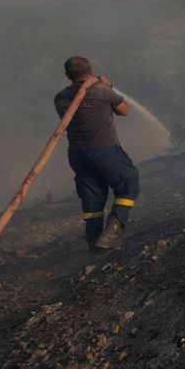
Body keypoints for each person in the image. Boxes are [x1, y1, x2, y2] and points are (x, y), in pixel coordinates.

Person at [54, 56, 139, 252]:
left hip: (77, 155)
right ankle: (112, 231)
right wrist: (109, 87)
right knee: (129, 182)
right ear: (91, 70)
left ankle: (94, 243)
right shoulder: (102, 91)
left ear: (68, 75)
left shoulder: (60, 97)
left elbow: (68, 116)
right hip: (105, 151)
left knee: (92, 197)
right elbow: (124, 111)